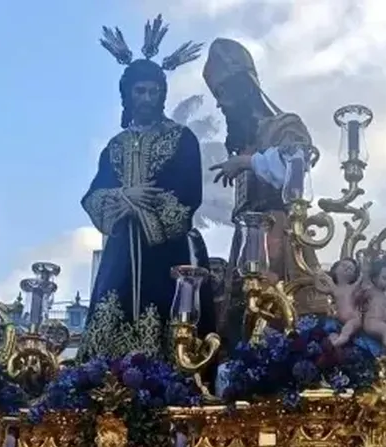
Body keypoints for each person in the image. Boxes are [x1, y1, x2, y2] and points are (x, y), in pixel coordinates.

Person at [80, 16, 214, 357]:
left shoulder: (181, 139)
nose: (147, 98)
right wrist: (124, 197)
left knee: (167, 315)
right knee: (112, 310)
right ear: (127, 94)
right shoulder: (115, 146)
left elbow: (188, 195)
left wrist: (144, 208)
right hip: (121, 250)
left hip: (166, 249)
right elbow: (93, 195)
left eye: (154, 91)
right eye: (140, 91)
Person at [201, 38, 322, 334]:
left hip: (278, 231)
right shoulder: (245, 142)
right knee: (239, 320)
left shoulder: (284, 126)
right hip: (245, 241)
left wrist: (246, 162)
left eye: (223, 94)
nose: (220, 104)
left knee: (282, 311)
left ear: (243, 88)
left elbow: (294, 169)